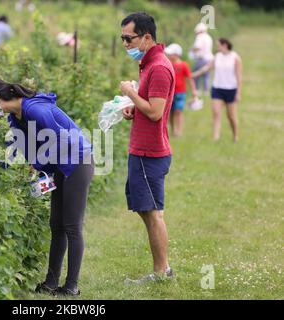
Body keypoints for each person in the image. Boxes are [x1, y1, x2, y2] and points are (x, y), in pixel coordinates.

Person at [0, 74, 94, 296]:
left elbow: (63, 141)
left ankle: (71, 286)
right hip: (59, 165)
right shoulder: (15, 118)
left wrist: (40, 165)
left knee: (72, 226)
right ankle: (51, 282)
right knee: (56, 225)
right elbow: (22, 151)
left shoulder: (35, 110)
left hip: (77, 161)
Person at [119, 12, 175, 284]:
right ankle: (162, 269)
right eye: (122, 39)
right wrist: (134, 107)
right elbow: (149, 108)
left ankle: (161, 271)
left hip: (150, 153)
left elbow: (155, 112)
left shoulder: (159, 68)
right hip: (141, 150)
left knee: (152, 214)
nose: (125, 44)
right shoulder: (148, 63)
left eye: (128, 39)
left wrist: (131, 92)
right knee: (147, 210)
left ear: (147, 37)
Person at [192, 38, 242, 142]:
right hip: (217, 88)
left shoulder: (235, 58)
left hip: (230, 89)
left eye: (218, 45)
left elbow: (239, 76)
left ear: (225, 45)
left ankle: (235, 136)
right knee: (216, 112)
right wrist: (194, 74)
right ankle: (216, 137)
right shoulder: (217, 57)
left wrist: (238, 93)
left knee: (231, 116)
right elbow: (207, 68)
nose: (217, 47)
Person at [165, 43, 199, 137]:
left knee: (178, 111)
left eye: (171, 54)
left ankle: (179, 131)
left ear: (177, 54)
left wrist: (194, 91)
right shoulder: (168, 64)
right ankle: (172, 130)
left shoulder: (184, 65)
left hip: (180, 93)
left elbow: (189, 79)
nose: (169, 55)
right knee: (170, 112)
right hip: (169, 93)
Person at [191, 22, 214, 95]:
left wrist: (192, 50)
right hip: (209, 58)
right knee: (206, 75)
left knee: (196, 74)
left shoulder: (200, 37)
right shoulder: (208, 37)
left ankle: (197, 90)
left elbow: (197, 47)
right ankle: (206, 90)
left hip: (201, 58)